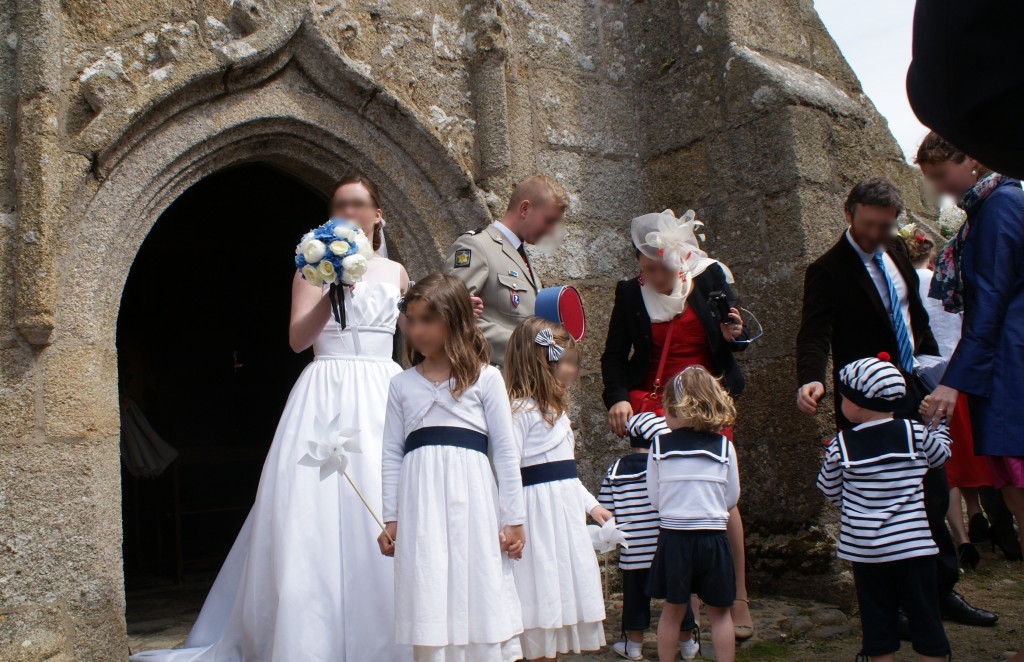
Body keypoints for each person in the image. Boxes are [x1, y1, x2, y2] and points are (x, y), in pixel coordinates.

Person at [131, 175, 413, 661]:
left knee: (389, 489)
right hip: (327, 385)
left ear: (377, 214)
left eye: (357, 203)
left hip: (384, 386)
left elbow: (412, 331)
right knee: (315, 507)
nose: (348, 210)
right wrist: (333, 289)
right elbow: (298, 340)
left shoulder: (396, 273)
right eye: (339, 203)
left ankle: (391, 627)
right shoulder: (311, 268)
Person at [795, 176, 997, 628]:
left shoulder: (898, 254)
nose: (877, 233)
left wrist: (930, 370)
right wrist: (810, 379)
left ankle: (941, 591)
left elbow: (917, 319)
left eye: (885, 225)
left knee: (934, 491)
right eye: (869, 224)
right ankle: (896, 605)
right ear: (849, 215)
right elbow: (814, 333)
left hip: (914, 391)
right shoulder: (827, 270)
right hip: (867, 401)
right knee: (881, 503)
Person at [601, 209, 754, 641]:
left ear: (677, 260)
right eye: (643, 267)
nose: (648, 276)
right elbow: (614, 356)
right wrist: (616, 398)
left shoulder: (708, 279)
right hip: (652, 397)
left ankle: (734, 594)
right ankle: (681, 605)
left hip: (704, 397)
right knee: (661, 494)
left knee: (719, 495)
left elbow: (734, 343)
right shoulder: (630, 294)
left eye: (657, 268)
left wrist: (733, 334)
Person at [377, 274, 526, 662]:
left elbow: (506, 452)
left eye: (428, 319)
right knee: (427, 578)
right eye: (411, 320)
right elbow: (391, 453)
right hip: (420, 505)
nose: (418, 330)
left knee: (473, 577)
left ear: (455, 320)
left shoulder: (486, 379)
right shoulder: (401, 385)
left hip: (472, 500)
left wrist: (513, 518)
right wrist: (391, 516)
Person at [916, 131, 1024, 562]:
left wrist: (952, 384)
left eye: (942, 175)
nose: (940, 188)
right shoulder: (988, 208)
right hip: (1002, 359)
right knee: (1013, 487)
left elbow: (990, 304)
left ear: (974, 159)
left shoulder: (999, 208)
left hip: (1011, 361)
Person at [817, 355, 952, 662]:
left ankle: (880, 655)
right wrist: (938, 424)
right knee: (924, 612)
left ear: (857, 403)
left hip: (866, 549)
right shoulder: (914, 433)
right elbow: (940, 456)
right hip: (913, 545)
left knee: (877, 614)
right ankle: (934, 654)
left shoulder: (841, 445)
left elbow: (828, 486)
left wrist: (851, 505)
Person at [504, 318, 609, 661]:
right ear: (540, 363)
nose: (570, 370)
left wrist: (591, 506)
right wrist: (508, 521)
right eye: (563, 361)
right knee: (539, 596)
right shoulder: (517, 414)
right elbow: (506, 472)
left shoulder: (558, 412)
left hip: (563, 518)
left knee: (560, 598)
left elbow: (565, 473)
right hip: (536, 520)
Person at [901, 228, 991, 569]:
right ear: (930, 254)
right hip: (961, 372)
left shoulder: (906, 284)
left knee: (944, 461)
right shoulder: (945, 280)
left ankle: (961, 537)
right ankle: (979, 511)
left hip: (928, 375)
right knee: (969, 451)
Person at [647, 366, 740, 662]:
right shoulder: (725, 447)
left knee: (673, 610)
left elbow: (655, 497)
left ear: (674, 407)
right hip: (713, 538)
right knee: (721, 613)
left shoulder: (659, 446)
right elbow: (731, 497)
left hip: (675, 538)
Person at [598, 412, 701, 661]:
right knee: (678, 595)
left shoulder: (616, 469)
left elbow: (605, 505)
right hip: (666, 546)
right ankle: (686, 644)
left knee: (634, 598)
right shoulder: (665, 465)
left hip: (634, 549)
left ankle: (633, 646)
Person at [444, 175, 569, 366]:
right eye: (549, 220)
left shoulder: (520, 257)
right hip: (491, 379)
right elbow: (453, 320)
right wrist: (527, 347)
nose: (551, 230)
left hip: (523, 382)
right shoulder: (476, 246)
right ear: (525, 208)